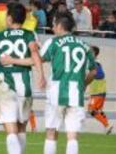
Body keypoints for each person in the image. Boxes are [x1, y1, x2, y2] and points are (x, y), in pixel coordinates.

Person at [0, 2, 46, 154]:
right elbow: (35, 56)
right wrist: (42, 75)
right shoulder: (30, 34)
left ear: (10, 18)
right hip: (25, 85)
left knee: (10, 129)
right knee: (21, 128)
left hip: (6, 85)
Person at [40, 13, 97, 154]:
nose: (52, 28)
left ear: (60, 26)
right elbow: (94, 71)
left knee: (51, 132)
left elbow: (39, 59)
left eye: (53, 25)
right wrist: (83, 84)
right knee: (72, 136)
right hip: (75, 93)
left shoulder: (53, 42)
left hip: (56, 92)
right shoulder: (85, 46)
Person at [87, 46, 113, 134]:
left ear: (94, 54)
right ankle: (107, 125)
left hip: (98, 91)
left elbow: (101, 75)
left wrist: (90, 75)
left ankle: (107, 125)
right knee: (98, 110)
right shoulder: (93, 63)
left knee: (91, 109)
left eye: (90, 52)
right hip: (98, 91)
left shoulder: (95, 63)